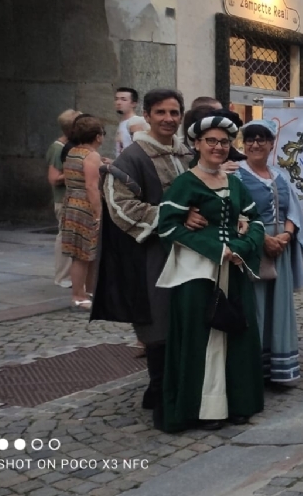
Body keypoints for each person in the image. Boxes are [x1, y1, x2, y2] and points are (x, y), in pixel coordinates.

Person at [155, 113, 265, 432]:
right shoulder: (185, 183)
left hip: (233, 271)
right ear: (197, 144)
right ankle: (203, 408)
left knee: (237, 334)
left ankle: (237, 403)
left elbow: (254, 220)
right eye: (211, 141)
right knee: (201, 337)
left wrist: (242, 248)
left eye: (224, 142)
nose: (218, 147)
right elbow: (167, 227)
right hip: (197, 275)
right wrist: (216, 248)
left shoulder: (234, 182)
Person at [92, 88, 194, 424]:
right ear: (146, 115)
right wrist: (173, 217)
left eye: (174, 113)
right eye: (161, 113)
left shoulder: (188, 153)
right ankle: (158, 388)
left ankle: (183, 385)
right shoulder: (133, 158)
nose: (168, 119)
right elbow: (120, 204)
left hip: (192, 252)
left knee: (188, 317)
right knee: (159, 320)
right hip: (154, 252)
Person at [237, 121, 303, 383]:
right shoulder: (236, 174)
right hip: (252, 245)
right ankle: (254, 367)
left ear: (271, 144)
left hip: (281, 246)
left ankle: (278, 367)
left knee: (279, 306)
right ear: (243, 144)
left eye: (261, 139)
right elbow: (235, 213)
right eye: (250, 139)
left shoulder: (280, 175)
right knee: (255, 306)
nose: (255, 144)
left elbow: (294, 209)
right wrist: (263, 238)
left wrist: (287, 235)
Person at [61, 114, 106, 310]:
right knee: (81, 253)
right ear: (98, 136)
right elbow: (91, 186)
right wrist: (98, 212)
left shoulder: (73, 152)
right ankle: (78, 295)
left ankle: (89, 290)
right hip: (84, 206)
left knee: (88, 252)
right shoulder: (91, 155)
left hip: (71, 203)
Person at [48, 109, 79, 289]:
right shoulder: (58, 148)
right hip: (63, 199)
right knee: (64, 237)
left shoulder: (70, 146)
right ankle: (63, 276)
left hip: (71, 199)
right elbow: (54, 178)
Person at [114, 87, 148, 156]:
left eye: (124, 99)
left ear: (133, 104)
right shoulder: (122, 123)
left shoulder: (136, 122)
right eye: (116, 99)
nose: (118, 102)